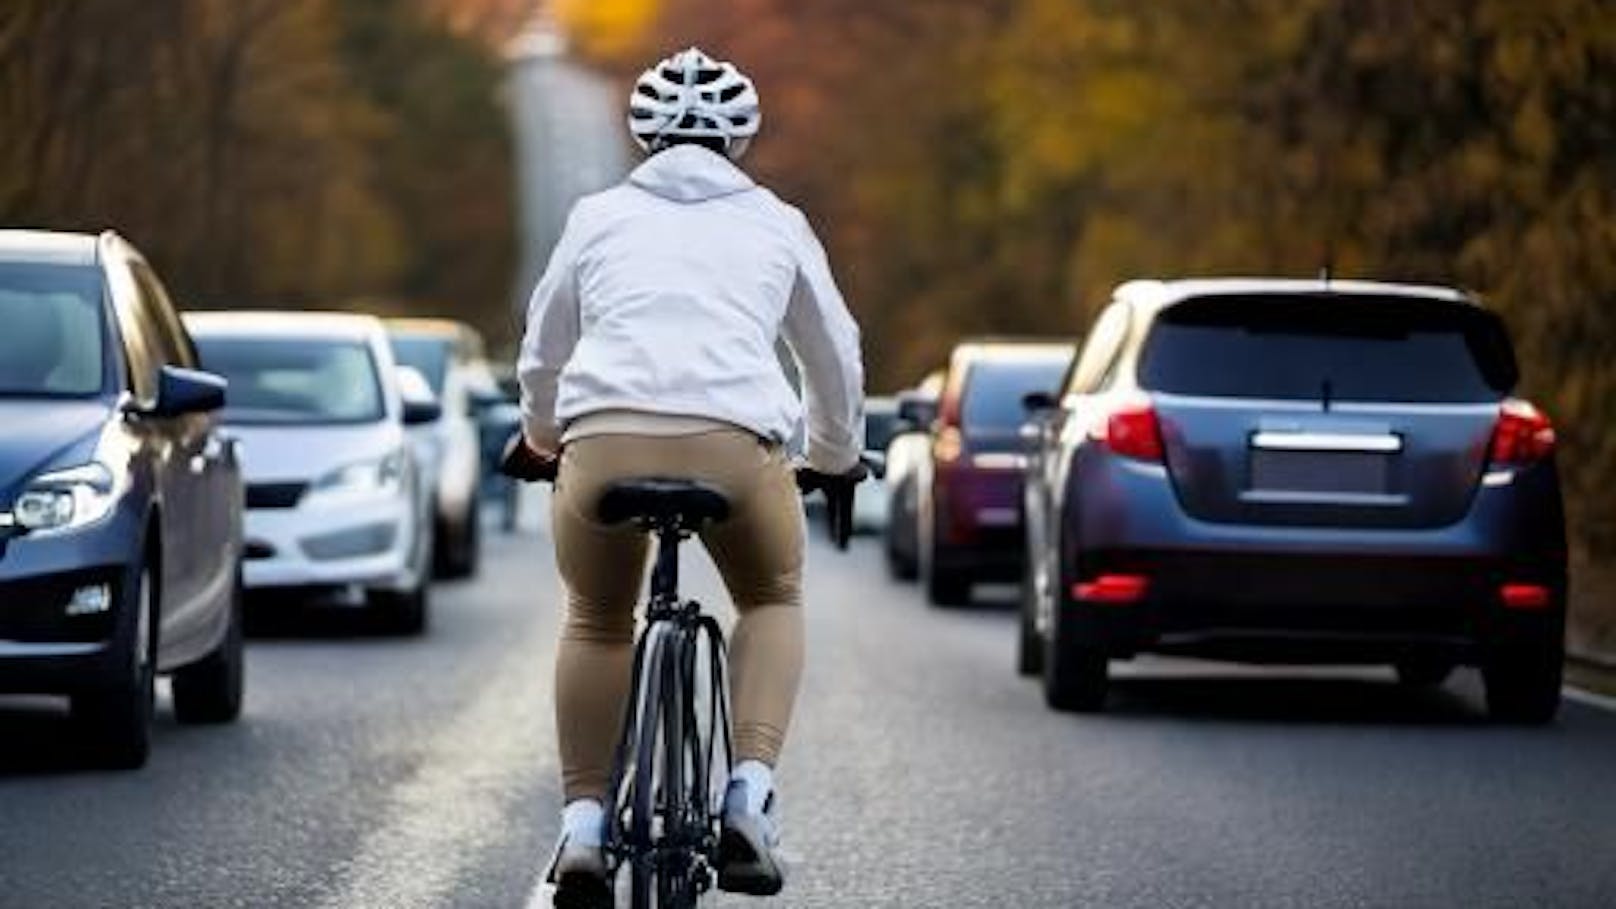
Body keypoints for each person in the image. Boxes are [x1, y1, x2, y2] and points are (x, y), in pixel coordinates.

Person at [518, 47, 865, 905]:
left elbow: (543, 351)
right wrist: (834, 455)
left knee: (598, 617)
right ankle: (746, 793)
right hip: (734, 443)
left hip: (603, 442)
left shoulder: (596, 216)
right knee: (773, 595)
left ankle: (586, 827)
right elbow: (834, 357)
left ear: (641, 137)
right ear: (739, 140)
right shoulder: (777, 221)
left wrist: (541, 436)